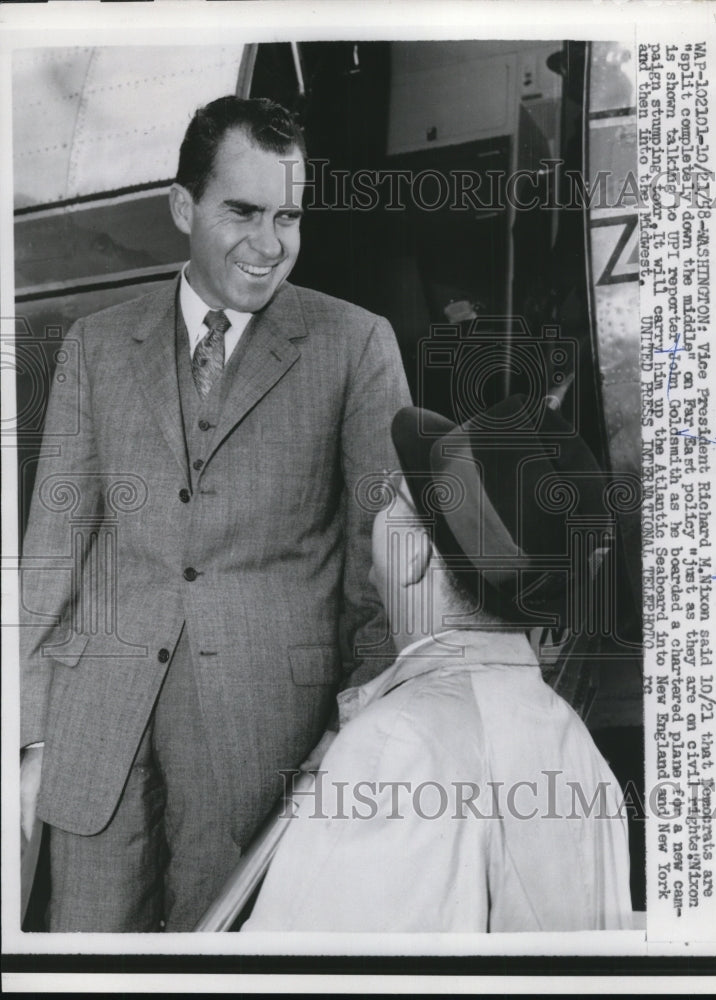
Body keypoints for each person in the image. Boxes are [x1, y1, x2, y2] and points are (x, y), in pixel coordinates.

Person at [19, 96, 410, 931]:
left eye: (289, 216)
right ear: (182, 206)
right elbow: (51, 553)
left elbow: (385, 568)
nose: (269, 245)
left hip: (266, 741)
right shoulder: (93, 345)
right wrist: (25, 736)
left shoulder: (356, 344)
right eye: (242, 211)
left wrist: (353, 727)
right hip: (95, 739)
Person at [243, 394, 634, 932]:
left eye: (392, 501)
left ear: (413, 555)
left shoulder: (397, 747)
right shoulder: (578, 748)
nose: (374, 517)